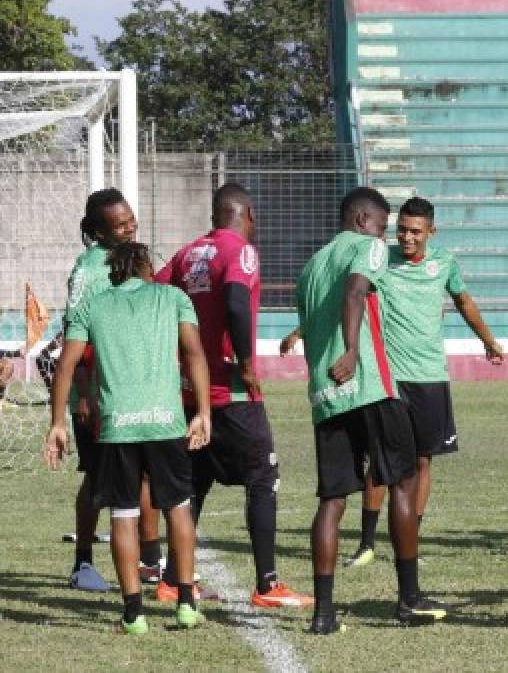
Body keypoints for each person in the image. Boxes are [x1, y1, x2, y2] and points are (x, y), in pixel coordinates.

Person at [295, 187, 446, 635]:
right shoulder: (369, 247)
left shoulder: (310, 266)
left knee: (332, 499)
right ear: (363, 220)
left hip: (326, 395)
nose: (388, 235)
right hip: (370, 386)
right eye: (383, 225)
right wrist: (351, 351)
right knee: (403, 480)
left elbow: (309, 325)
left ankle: (324, 614)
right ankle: (409, 599)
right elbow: (357, 290)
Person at [155, 183, 312, 607]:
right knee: (263, 477)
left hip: (192, 393)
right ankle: (267, 584)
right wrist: (245, 363)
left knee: (194, 484)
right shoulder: (240, 251)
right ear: (246, 215)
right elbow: (238, 303)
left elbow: (154, 294)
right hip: (233, 391)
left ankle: (173, 579)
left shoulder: (188, 254)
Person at [43, 241, 212, 633]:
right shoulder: (173, 297)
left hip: (118, 426)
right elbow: (195, 354)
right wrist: (203, 412)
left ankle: (134, 613)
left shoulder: (93, 306)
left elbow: (65, 365)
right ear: (148, 268)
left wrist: (57, 423)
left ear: (112, 273)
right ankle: (186, 603)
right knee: (179, 508)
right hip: (165, 422)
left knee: (123, 514)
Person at [342, 196, 504, 568]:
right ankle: (366, 543)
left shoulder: (444, 263)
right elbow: (350, 296)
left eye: (416, 231)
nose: (407, 237)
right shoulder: (380, 260)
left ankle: (408, 538)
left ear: (431, 231)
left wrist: (488, 340)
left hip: (431, 377)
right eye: (402, 230)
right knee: (382, 461)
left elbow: (464, 301)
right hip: (391, 378)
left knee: (422, 460)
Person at [59, 189, 161, 593]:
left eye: (131, 219)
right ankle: (83, 562)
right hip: (98, 394)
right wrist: (83, 393)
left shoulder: (136, 260)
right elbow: (76, 339)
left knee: (145, 474)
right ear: (98, 232)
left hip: (133, 390)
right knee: (99, 478)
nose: (130, 227)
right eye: (120, 224)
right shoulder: (88, 271)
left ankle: (150, 561)